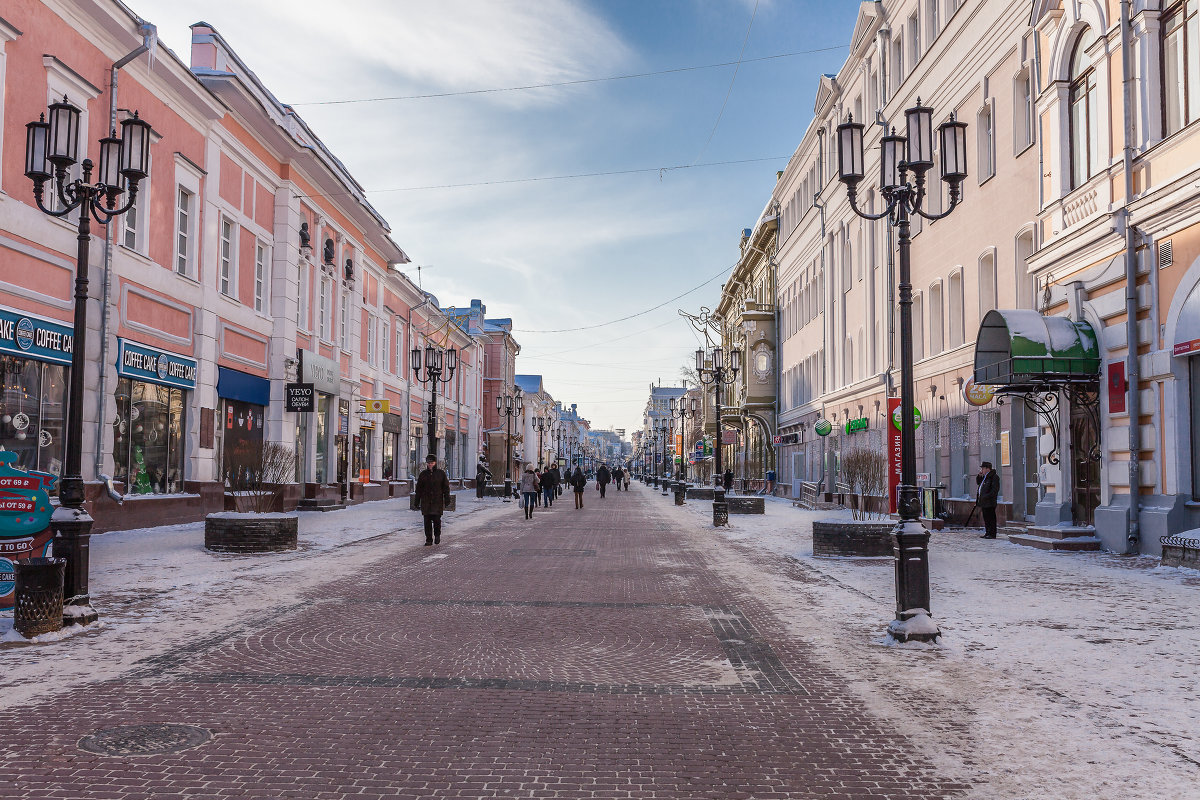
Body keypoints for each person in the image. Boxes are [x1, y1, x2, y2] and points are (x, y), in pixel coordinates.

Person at [414, 454, 452, 546]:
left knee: (436, 521)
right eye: (429, 463)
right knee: (427, 522)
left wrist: (447, 499)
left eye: (432, 462)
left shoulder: (440, 474)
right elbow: (418, 489)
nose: (430, 464)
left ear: (435, 463)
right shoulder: (423, 474)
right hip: (426, 502)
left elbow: (446, 488)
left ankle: (437, 535)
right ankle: (428, 539)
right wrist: (416, 501)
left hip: (437, 501)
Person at [976, 461, 1000, 539]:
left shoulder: (994, 477)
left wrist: (986, 496)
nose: (981, 470)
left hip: (990, 502)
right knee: (986, 518)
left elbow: (994, 490)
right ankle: (987, 532)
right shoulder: (985, 476)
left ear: (987, 468)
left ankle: (992, 534)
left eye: (983, 468)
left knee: (991, 518)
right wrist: (979, 476)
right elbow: (978, 483)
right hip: (984, 502)